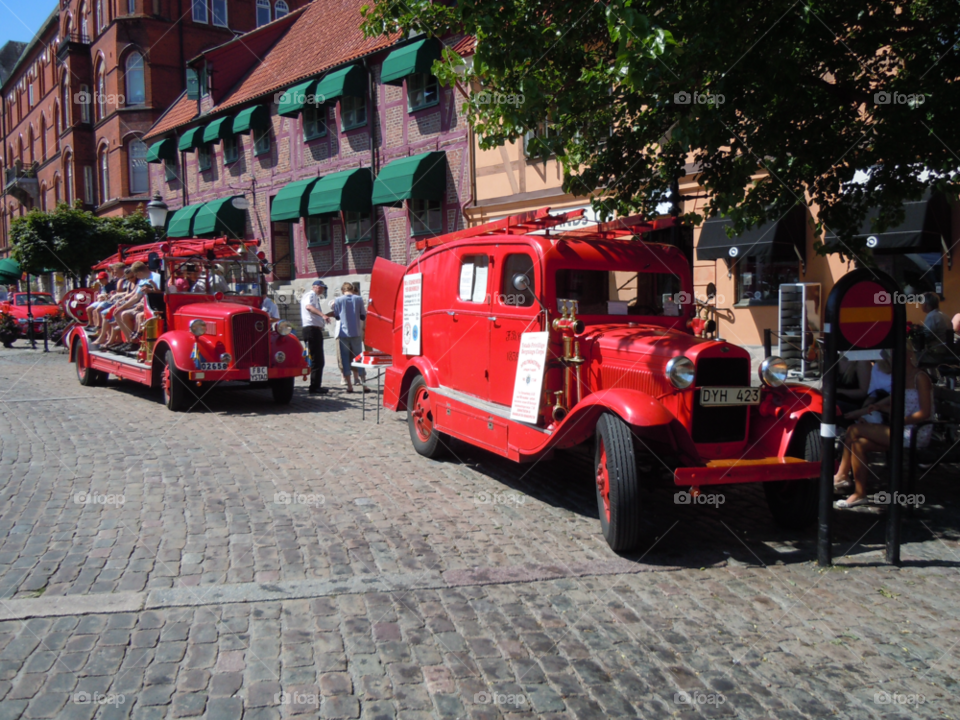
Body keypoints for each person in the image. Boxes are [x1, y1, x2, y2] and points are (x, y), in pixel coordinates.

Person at [834, 339, 934, 508]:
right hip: (900, 427)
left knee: (853, 429)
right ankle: (859, 493)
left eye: (895, 355)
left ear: (909, 355)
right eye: (890, 356)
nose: (891, 359)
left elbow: (925, 413)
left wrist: (899, 421)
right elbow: (899, 404)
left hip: (916, 431)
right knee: (859, 444)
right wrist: (879, 407)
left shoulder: (920, 377)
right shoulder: (901, 377)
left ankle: (842, 476)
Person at [331, 282, 367, 393]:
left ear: (343, 290)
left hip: (343, 333)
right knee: (359, 358)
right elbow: (362, 315)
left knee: (345, 358)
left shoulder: (338, 300)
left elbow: (337, 317)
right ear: (352, 289)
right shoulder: (359, 299)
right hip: (355, 332)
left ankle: (350, 386)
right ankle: (364, 384)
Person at [300, 279, 329, 394]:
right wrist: (322, 315)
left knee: (318, 359)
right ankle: (314, 386)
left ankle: (316, 385)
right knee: (318, 360)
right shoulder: (310, 294)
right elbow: (308, 307)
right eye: (320, 287)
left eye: (323, 288)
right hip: (312, 330)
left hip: (314, 330)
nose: (322, 289)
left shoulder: (315, 297)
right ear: (314, 287)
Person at [921, 293, 954, 361]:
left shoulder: (931, 316)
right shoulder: (944, 315)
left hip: (936, 352)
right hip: (945, 350)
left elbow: (926, 336)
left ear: (925, 304)